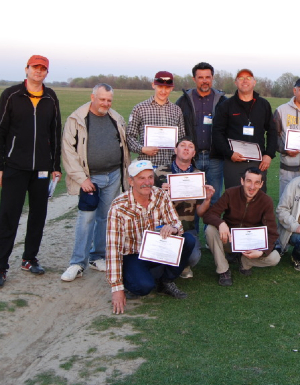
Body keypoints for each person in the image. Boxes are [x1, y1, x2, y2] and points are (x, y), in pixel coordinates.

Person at [0, 55, 62, 289]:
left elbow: (55, 133)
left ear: (46, 72)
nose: (38, 72)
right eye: (35, 67)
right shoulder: (11, 95)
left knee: (38, 216)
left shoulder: (50, 97)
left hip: (41, 168)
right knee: (8, 217)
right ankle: (0, 267)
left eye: (43, 69)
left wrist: (55, 166)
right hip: (14, 167)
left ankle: (29, 259)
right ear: (27, 69)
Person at [60, 84, 130, 282]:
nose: (105, 103)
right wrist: (82, 179)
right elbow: (68, 152)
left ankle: (97, 256)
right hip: (90, 179)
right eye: (102, 99)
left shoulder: (116, 118)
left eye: (109, 100)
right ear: (93, 97)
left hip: (114, 175)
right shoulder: (76, 119)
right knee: (86, 219)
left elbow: (124, 146)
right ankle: (77, 263)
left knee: (105, 218)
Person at [107, 160, 196, 313]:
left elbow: (177, 224)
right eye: (141, 178)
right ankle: (132, 278)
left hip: (157, 249)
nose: (147, 182)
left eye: (150, 177)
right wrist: (116, 289)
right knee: (143, 287)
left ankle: (166, 281)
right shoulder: (118, 206)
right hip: (134, 254)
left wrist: (173, 228)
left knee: (188, 240)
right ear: (131, 181)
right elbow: (113, 249)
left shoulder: (161, 195)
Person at [203, 167, 280, 286]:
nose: (252, 186)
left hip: (251, 243)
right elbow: (209, 215)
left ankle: (245, 262)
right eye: (249, 181)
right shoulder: (230, 193)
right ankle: (223, 270)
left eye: (256, 183)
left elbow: (272, 232)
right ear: (242, 181)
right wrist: (221, 223)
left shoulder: (266, 201)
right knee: (210, 229)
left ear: (261, 184)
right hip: (229, 239)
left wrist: (261, 252)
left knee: (274, 258)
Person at [155, 137, 216, 279]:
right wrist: (159, 192)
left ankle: (181, 265)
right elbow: (147, 204)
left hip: (187, 229)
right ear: (175, 150)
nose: (186, 148)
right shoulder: (160, 172)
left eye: (190, 146)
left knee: (193, 258)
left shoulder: (199, 176)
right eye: (182, 145)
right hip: (162, 227)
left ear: (194, 153)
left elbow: (200, 212)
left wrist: (207, 199)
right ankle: (166, 266)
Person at [212, 69, 277, 191]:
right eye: (241, 78)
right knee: (233, 197)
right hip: (233, 162)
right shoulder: (226, 105)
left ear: (254, 82)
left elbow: (272, 131)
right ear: (236, 82)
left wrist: (269, 155)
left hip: (257, 162)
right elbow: (217, 132)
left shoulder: (263, 105)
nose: (245, 81)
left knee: (257, 197)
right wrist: (229, 153)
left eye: (248, 78)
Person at [175, 62, 227, 210]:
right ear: (194, 79)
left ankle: (211, 226)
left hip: (215, 157)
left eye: (208, 77)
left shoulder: (223, 101)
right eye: (200, 77)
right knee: (191, 199)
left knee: (214, 198)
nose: (205, 81)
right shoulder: (183, 101)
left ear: (212, 78)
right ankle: (193, 226)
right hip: (192, 158)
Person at [126, 71, 187, 168]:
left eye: (167, 88)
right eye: (160, 87)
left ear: (172, 88)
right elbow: (130, 136)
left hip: (170, 166)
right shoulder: (139, 108)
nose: (163, 91)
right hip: (147, 166)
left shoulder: (176, 110)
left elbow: (181, 138)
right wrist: (142, 149)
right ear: (153, 85)